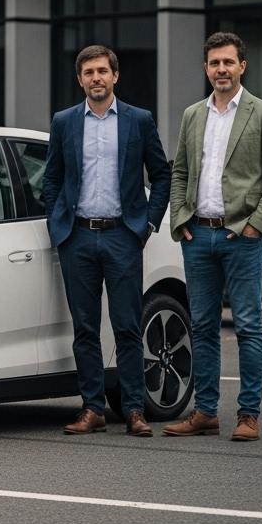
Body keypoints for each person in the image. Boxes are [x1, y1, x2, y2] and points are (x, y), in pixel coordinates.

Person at [163, 32, 262, 442]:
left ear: (242, 66)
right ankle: (205, 412)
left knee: (249, 327)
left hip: (242, 238)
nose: (221, 70)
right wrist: (180, 219)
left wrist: (255, 225)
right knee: (202, 328)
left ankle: (248, 415)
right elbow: (179, 170)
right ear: (206, 68)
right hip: (198, 235)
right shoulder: (192, 115)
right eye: (214, 63)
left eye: (228, 63)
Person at [42, 45, 170, 437]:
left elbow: (162, 174)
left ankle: (133, 410)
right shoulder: (64, 122)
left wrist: (147, 225)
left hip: (122, 237)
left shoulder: (139, 120)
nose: (96, 78)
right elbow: (52, 178)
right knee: (84, 327)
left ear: (115, 75)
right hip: (77, 237)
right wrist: (56, 224)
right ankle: (92, 408)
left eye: (102, 71)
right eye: (88, 72)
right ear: (79, 79)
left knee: (128, 326)